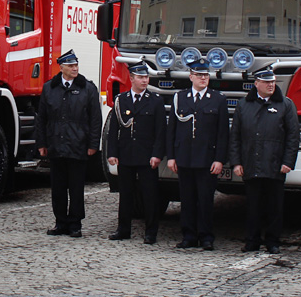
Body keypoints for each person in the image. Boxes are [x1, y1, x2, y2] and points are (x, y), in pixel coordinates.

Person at [228, 66, 299, 255]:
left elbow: (293, 136)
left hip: (275, 165)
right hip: (251, 163)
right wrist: (236, 162)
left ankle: (273, 241)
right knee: (252, 206)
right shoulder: (244, 105)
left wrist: (288, 162)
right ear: (256, 84)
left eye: (273, 82)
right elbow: (235, 136)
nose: (271, 85)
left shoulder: (286, 105)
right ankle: (252, 241)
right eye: (267, 82)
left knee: (274, 207)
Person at [36, 49, 102, 238]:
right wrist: (42, 143)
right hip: (56, 145)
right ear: (61, 67)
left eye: (76, 65)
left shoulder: (87, 88)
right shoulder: (50, 88)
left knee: (76, 187)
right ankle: (60, 222)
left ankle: (75, 223)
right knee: (57, 188)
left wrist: (93, 144)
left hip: (78, 145)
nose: (75, 68)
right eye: (71, 65)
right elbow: (42, 118)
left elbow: (95, 119)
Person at [166, 59, 229, 251]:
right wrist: (171, 156)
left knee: (205, 200)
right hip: (184, 157)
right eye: (199, 75)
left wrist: (219, 159)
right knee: (187, 199)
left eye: (206, 75)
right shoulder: (180, 98)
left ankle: (206, 236)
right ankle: (189, 235)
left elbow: (222, 133)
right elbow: (172, 130)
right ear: (191, 76)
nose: (203, 78)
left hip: (207, 159)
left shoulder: (218, 99)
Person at [107, 63, 167, 245]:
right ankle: (123, 229)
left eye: (146, 78)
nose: (144, 80)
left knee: (150, 195)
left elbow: (160, 131)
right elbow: (113, 129)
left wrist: (157, 154)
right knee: (126, 195)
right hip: (126, 154)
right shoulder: (121, 100)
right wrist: (112, 152)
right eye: (140, 77)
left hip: (147, 156)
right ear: (131, 79)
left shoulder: (155, 101)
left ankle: (151, 232)